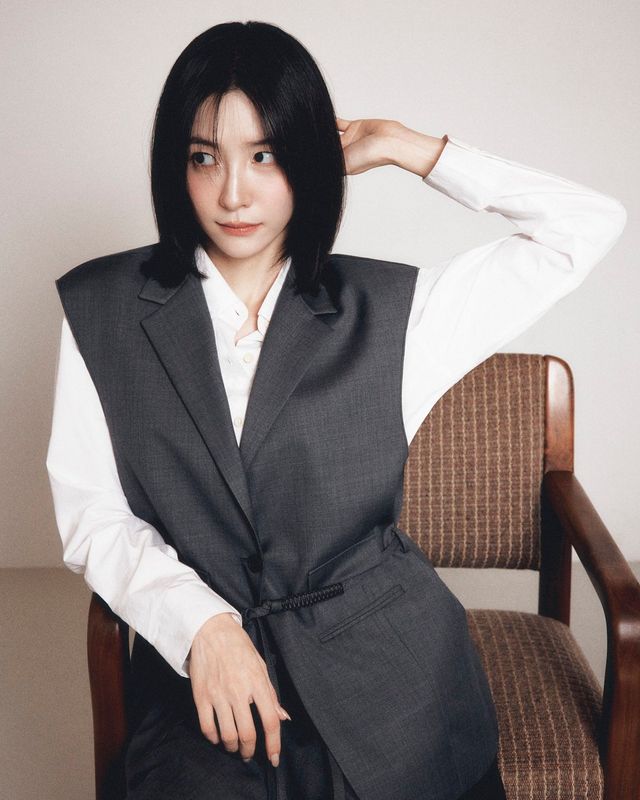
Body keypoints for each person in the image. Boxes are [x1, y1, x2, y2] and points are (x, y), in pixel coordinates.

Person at [46, 20, 626, 800]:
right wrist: (201, 628)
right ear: (173, 164)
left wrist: (409, 148)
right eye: (204, 156)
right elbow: (94, 515)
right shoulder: (102, 309)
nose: (233, 193)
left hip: (394, 671)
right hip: (211, 680)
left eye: (266, 155)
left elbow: (587, 225)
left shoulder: (397, 313)